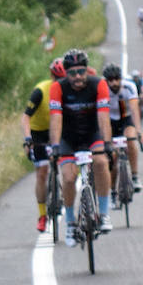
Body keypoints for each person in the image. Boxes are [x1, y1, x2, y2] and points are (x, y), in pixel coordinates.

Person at [47, 49, 113, 245]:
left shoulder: (98, 84)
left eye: (81, 72)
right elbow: (56, 118)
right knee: (68, 177)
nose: (77, 77)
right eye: (73, 73)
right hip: (68, 137)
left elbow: (103, 116)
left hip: (92, 133)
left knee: (101, 162)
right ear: (66, 74)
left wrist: (108, 143)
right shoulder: (58, 88)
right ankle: (70, 223)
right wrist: (56, 145)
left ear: (87, 71)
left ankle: (103, 213)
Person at [22, 58, 65, 232]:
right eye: (57, 79)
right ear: (51, 76)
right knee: (42, 172)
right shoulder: (40, 91)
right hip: (39, 133)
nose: (60, 83)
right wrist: (27, 139)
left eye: (63, 79)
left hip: (59, 130)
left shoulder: (69, 90)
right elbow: (25, 117)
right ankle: (42, 215)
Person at [101, 63, 143, 193]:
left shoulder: (129, 87)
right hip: (110, 121)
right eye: (110, 80)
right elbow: (102, 114)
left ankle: (135, 176)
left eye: (116, 79)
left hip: (126, 118)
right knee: (112, 157)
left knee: (130, 139)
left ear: (121, 78)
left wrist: (138, 131)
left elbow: (135, 110)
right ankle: (113, 190)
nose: (114, 83)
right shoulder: (102, 89)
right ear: (106, 81)